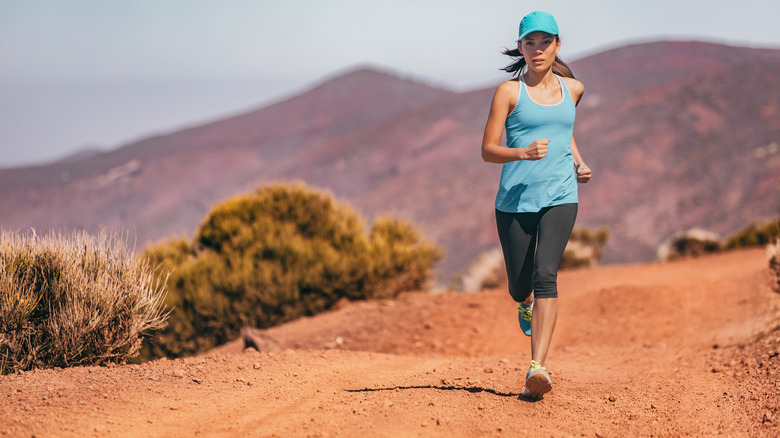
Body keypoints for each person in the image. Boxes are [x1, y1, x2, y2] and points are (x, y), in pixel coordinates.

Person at [480, 11, 591, 399]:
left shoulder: (573, 89)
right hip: (514, 202)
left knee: (547, 274)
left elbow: (565, 131)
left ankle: (537, 368)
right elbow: (487, 151)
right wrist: (522, 154)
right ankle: (523, 303)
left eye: (545, 42)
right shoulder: (509, 93)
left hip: (562, 196)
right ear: (521, 48)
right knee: (519, 285)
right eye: (530, 42)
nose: (538, 48)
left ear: (557, 45)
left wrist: (578, 161)